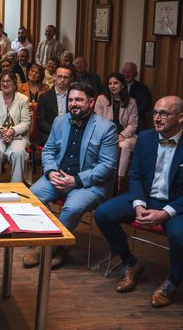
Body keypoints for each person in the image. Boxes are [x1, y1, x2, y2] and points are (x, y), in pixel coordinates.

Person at [94, 96, 183, 308]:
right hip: (146, 197)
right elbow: (135, 176)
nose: (157, 118)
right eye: (154, 113)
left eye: (164, 114)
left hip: (175, 205)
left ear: (180, 118)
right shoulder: (146, 137)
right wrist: (139, 204)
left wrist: (165, 213)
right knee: (103, 213)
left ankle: (173, 281)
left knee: (179, 237)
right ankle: (130, 262)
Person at [24, 82, 118, 269]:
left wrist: (76, 180)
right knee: (31, 197)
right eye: (71, 100)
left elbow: (107, 166)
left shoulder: (106, 128)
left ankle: (46, 249)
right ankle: (56, 243)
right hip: (58, 175)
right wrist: (50, 172)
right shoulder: (60, 121)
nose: (73, 104)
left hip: (88, 183)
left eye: (79, 100)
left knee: (71, 209)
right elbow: (49, 150)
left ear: (91, 103)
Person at [0, 71, 30, 183]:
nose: (5, 84)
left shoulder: (23, 99)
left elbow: (26, 122)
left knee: (18, 153)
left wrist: (12, 131)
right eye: (2, 81)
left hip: (17, 136)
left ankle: (16, 187)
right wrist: (1, 130)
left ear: (14, 84)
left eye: (8, 81)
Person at [94, 72, 139, 189]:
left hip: (127, 136)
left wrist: (121, 135)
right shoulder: (101, 99)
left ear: (122, 85)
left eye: (115, 83)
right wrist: (110, 136)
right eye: (110, 83)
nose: (112, 86)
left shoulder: (131, 101)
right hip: (105, 135)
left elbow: (133, 125)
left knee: (123, 146)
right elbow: (98, 121)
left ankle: (119, 181)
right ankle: (101, 177)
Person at [35, 65, 72, 146]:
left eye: (66, 77)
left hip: (70, 132)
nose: (62, 80)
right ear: (54, 76)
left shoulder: (74, 97)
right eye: (59, 76)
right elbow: (41, 121)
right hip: (49, 133)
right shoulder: (44, 97)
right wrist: (56, 130)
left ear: (70, 79)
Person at [121, 61, 153, 131]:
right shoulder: (116, 86)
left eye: (130, 72)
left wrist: (131, 111)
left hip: (137, 118)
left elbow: (146, 104)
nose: (126, 74)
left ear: (135, 74)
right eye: (124, 72)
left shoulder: (142, 88)